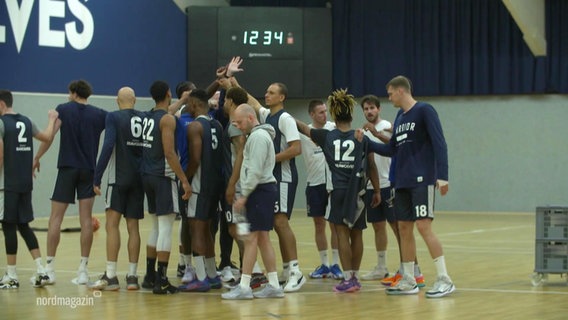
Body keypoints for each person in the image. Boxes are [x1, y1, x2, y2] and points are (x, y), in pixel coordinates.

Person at [364, 75, 455, 298]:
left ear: (401, 91)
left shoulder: (425, 110)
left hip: (422, 180)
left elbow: (440, 143)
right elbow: (392, 149)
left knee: (424, 227)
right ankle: (409, 279)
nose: (389, 97)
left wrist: (442, 176)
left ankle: (445, 279)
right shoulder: (399, 116)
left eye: (390, 93)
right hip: (402, 183)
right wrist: (367, 142)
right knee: (404, 229)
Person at [295, 89, 381, 293]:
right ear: (351, 114)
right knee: (357, 234)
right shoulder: (362, 137)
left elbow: (302, 128)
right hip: (359, 192)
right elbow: (372, 166)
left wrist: (284, 115)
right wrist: (376, 190)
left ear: (333, 115)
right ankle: (356, 278)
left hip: (339, 192)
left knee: (341, 234)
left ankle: (348, 277)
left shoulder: (326, 136)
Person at [33, 79, 108, 285]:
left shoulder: (63, 110)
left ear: (74, 93)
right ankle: (83, 271)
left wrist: (37, 157)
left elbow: (49, 137)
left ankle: (50, 269)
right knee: (86, 220)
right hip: (89, 170)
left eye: (69, 93)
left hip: (67, 168)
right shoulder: (100, 114)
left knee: (55, 218)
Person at [360, 95, 425, 287]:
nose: (369, 111)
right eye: (365, 109)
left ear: (379, 109)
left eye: (372, 108)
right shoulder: (364, 131)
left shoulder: (390, 127)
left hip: (390, 184)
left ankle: (413, 269)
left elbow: (393, 147)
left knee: (400, 230)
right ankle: (381, 266)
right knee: (377, 226)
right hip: (373, 185)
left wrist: (377, 133)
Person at [221, 104, 284, 299]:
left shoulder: (257, 138)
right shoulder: (260, 135)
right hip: (264, 191)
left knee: (250, 239)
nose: (238, 126)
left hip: (259, 191)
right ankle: (273, 284)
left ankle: (245, 286)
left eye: (239, 122)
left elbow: (255, 170)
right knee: (263, 238)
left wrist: (244, 194)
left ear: (250, 118)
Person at [0, 90, 58, 289]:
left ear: (1, 104)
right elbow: (47, 136)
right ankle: (41, 270)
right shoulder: (26, 121)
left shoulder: (1, 124)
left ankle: (12, 275)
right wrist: (51, 119)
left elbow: (0, 154)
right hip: (25, 183)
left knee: (8, 226)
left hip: (6, 185)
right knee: (24, 226)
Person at [89, 87, 145, 291]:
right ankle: (132, 276)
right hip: (139, 179)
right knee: (134, 228)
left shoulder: (113, 117)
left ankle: (111, 276)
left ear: (117, 100)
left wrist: (97, 176)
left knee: (111, 225)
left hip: (118, 179)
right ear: (135, 100)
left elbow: (108, 145)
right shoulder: (143, 117)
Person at [140, 80, 191, 294]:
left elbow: (167, 112)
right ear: (168, 93)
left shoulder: (148, 116)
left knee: (156, 227)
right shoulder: (168, 120)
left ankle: (150, 276)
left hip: (146, 176)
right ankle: (162, 279)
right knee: (166, 228)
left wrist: (183, 100)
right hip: (163, 177)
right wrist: (184, 180)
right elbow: (170, 153)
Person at [177, 89, 224, 292]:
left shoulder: (195, 126)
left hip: (199, 184)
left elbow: (195, 159)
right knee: (207, 230)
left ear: (195, 105)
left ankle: (201, 277)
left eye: (188, 104)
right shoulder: (218, 125)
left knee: (195, 227)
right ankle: (213, 275)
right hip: (216, 184)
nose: (186, 107)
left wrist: (185, 180)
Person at [299, 99, 343, 280]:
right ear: (312, 114)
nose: (325, 115)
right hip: (314, 184)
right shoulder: (304, 133)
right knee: (319, 224)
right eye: (320, 112)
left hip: (333, 184)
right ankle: (324, 264)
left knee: (335, 225)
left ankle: (336, 263)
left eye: (325, 111)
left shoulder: (334, 128)